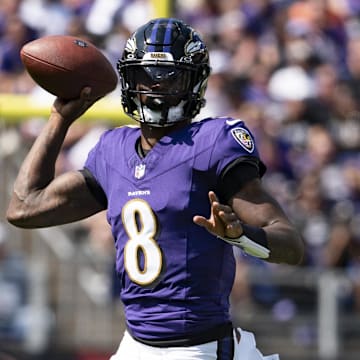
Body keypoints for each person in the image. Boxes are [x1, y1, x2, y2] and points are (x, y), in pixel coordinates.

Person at [6, 18, 304, 360]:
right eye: (146, 76)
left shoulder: (212, 144)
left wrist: (241, 235)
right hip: (134, 346)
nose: (156, 87)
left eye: (170, 76)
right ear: (130, 80)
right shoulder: (112, 150)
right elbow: (24, 208)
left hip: (199, 348)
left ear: (195, 82)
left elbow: (290, 245)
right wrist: (60, 118)